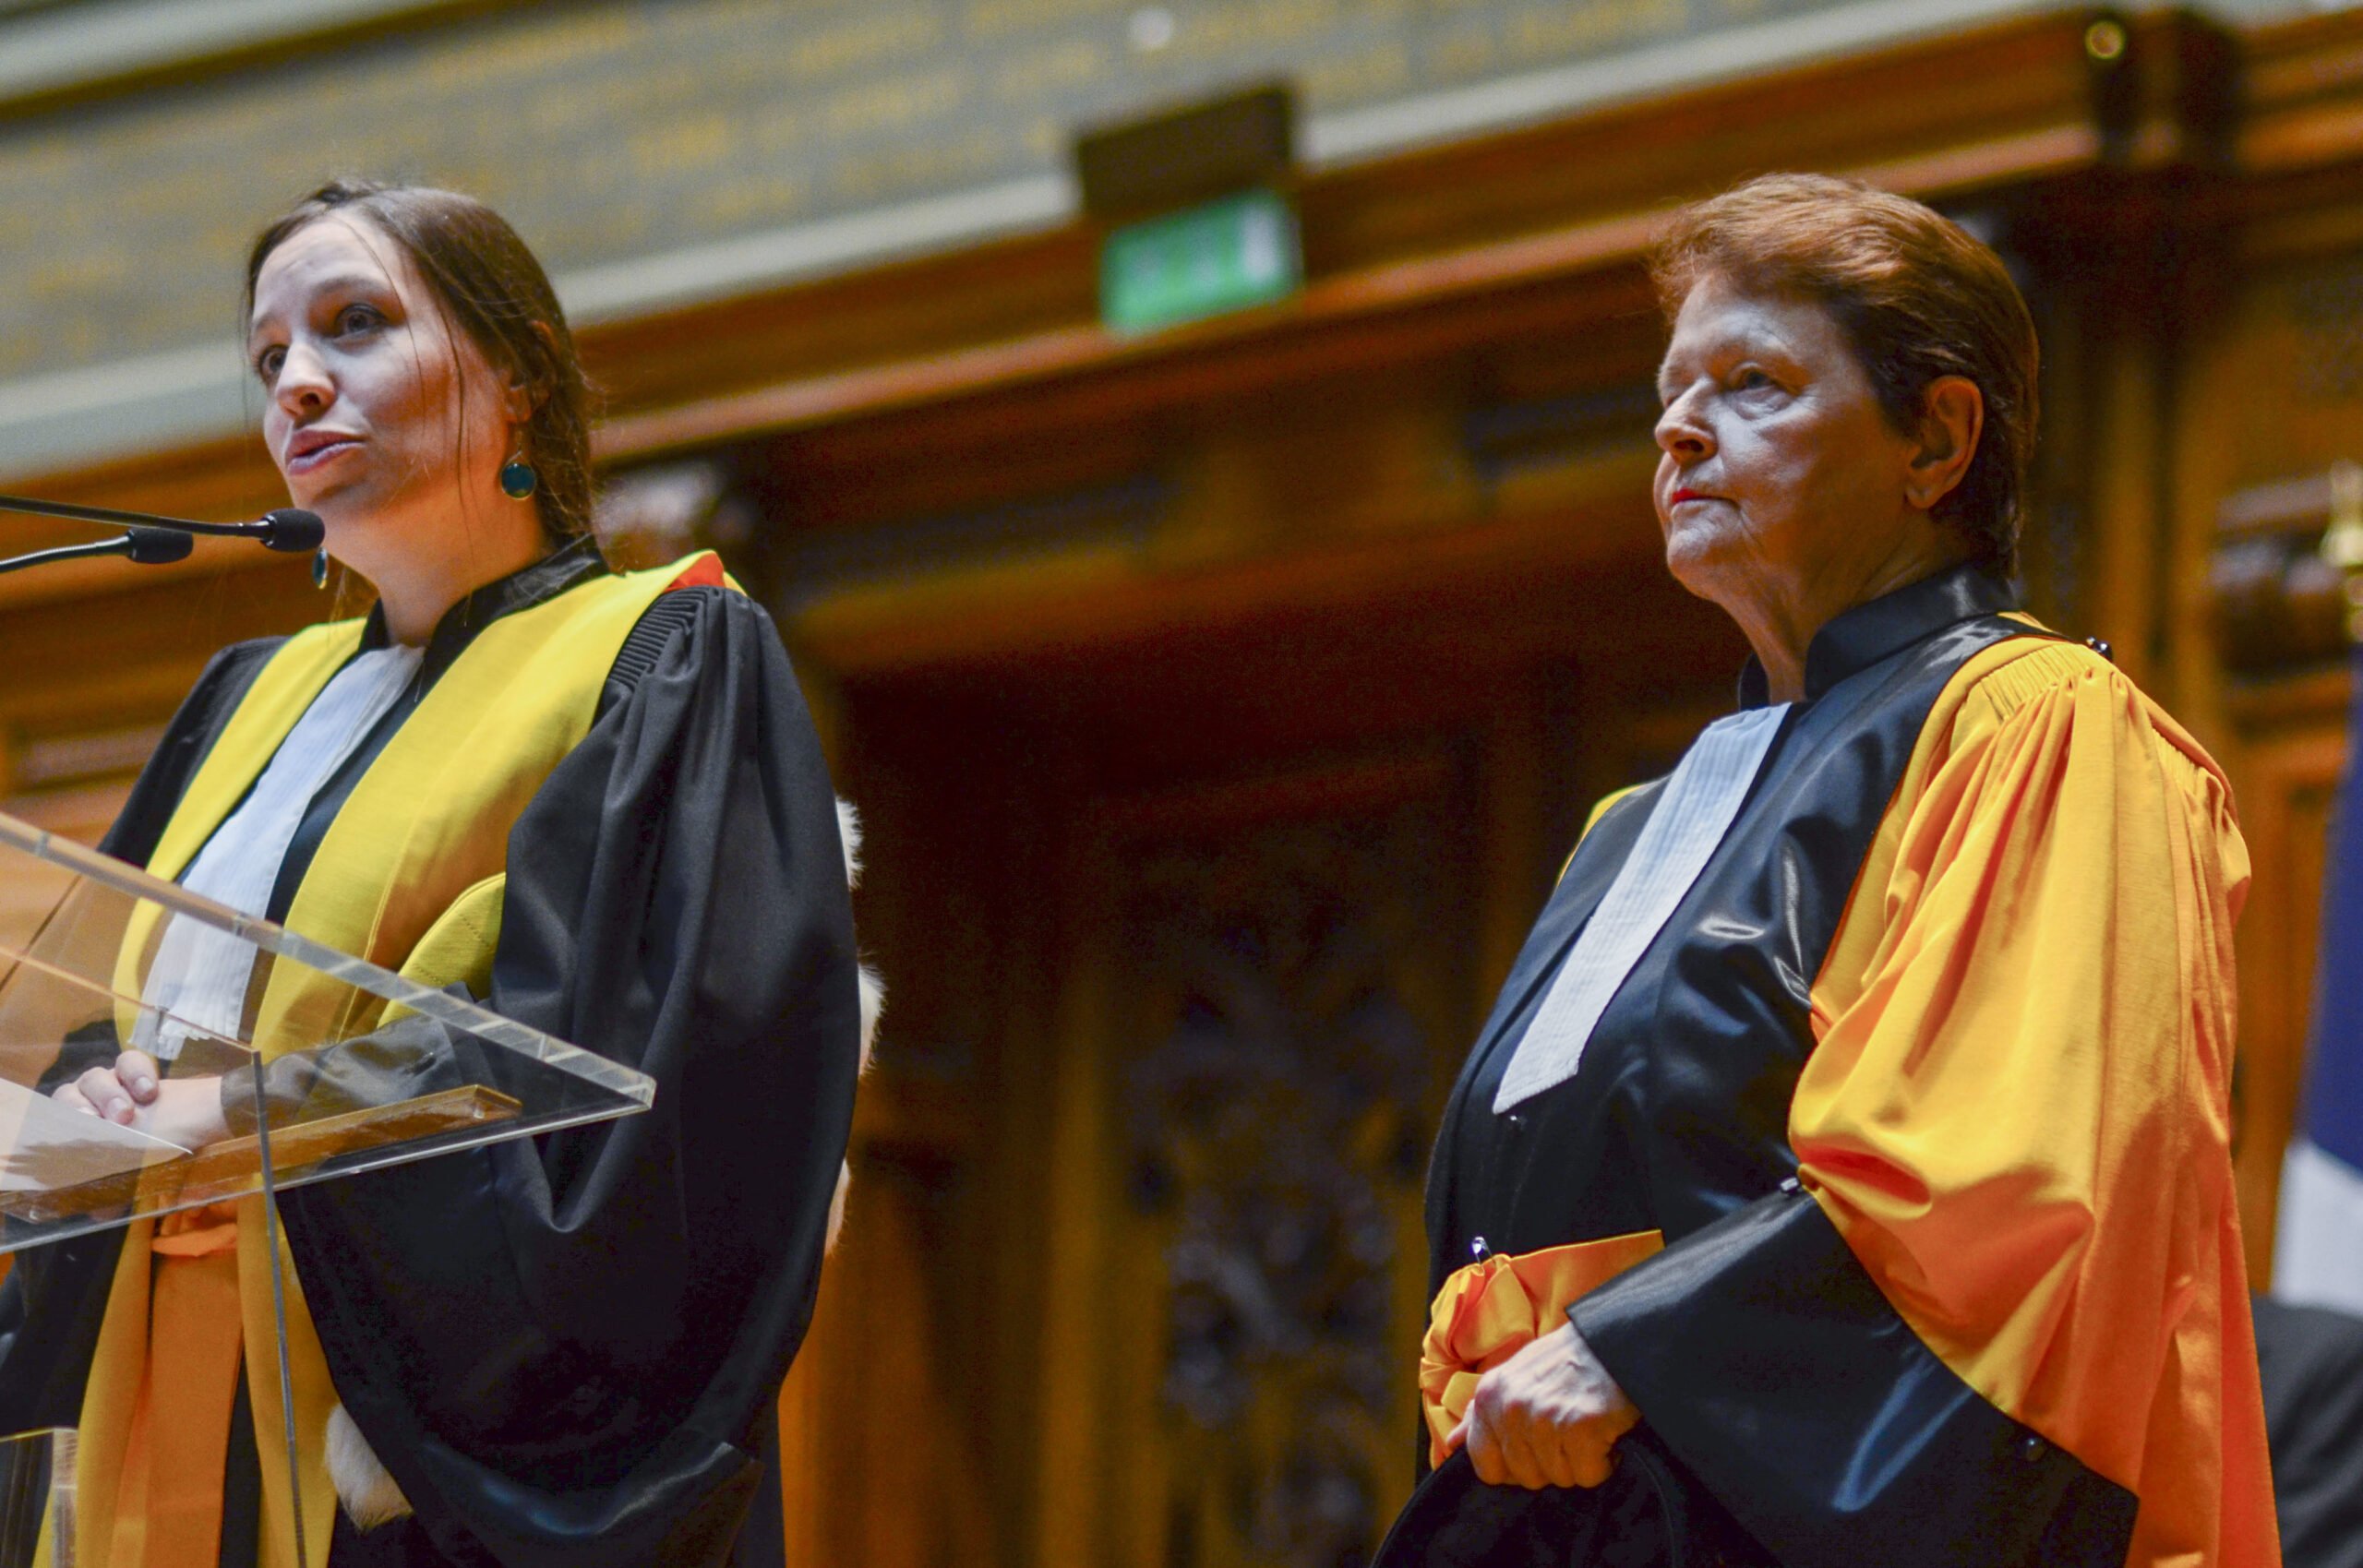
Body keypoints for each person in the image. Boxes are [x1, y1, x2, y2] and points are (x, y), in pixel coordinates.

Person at [1378, 174, 2278, 1567]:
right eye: (1672, 391)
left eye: (1753, 383)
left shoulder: (2038, 722)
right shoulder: (1638, 820)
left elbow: (2009, 1189)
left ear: (1938, 439)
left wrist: (1635, 1355)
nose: (1680, 427)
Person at [0, 179, 864, 1567]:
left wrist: (238, 1118)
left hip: (400, 1462)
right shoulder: (246, 699)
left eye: (354, 325)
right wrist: (97, 1101)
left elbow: (626, 1092)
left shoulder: (658, 654)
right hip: (162, 1405)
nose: (297, 385)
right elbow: (102, 1024)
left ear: (515, 372)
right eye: (269, 357)